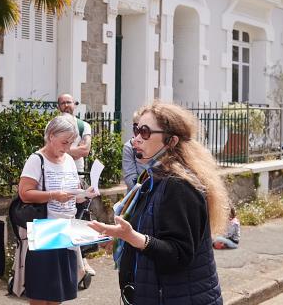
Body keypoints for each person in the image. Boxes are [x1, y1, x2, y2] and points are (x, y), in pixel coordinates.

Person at [89, 102, 229, 305]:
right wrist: (123, 240)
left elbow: (179, 254)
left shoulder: (178, 185)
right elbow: (151, 231)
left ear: (171, 141)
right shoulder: (153, 177)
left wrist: (133, 237)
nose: (136, 138)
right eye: (136, 129)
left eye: (145, 132)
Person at [15, 115, 98, 304]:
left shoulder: (68, 159)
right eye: (64, 142)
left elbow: (73, 194)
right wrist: (53, 195)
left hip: (67, 228)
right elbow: (24, 193)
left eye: (70, 143)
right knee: (41, 291)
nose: (68, 148)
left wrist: (86, 194)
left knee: (59, 292)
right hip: (46, 229)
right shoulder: (37, 159)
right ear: (51, 136)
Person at [56, 93, 95, 277]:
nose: (66, 105)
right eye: (62, 103)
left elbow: (85, 150)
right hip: (57, 177)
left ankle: (83, 260)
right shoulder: (54, 126)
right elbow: (50, 148)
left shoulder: (83, 125)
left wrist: (61, 147)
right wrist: (73, 149)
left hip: (78, 176)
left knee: (81, 218)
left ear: (75, 104)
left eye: (69, 102)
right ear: (58, 106)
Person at [122, 112, 146, 192]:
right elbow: (131, 181)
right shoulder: (129, 147)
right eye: (136, 130)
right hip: (138, 198)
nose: (138, 138)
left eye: (144, 131)